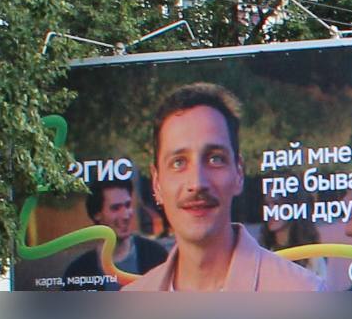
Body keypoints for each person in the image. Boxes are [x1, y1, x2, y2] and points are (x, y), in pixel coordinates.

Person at [121, 83, 323, 295]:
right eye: (178, 162)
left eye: (215, 159)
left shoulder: (302, 294)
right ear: (157, 184)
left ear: (239, 173)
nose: (197, 183)